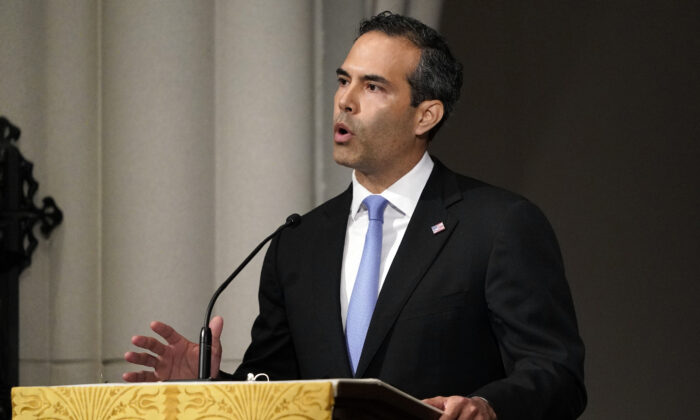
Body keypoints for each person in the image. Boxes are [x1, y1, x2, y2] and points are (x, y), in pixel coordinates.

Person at [123, 12, 586, 420]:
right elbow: (277, 391)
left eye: (373, 86)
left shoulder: (498, 225)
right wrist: (210, 386)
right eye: (344, 80)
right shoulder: (298, 242)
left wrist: (490, 406)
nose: (345, 100)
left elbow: (556, 374)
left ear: (425, 115)